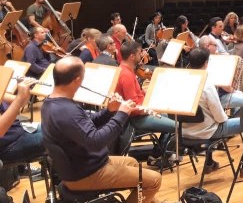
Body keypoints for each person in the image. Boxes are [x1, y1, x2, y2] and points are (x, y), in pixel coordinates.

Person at [41, 56, 161, 203]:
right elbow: (96, 141)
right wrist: (122, 115)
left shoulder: (53, 101)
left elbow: (86, 124)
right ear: (77, 80)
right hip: (85, 174)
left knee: (133, 163)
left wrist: (109, 111)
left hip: (86, 164)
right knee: (154, 180)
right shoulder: (66, 111)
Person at [183, 48, 243, 173]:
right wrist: (227, 118)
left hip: (185, 131)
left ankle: (209, 162)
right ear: (206, 63)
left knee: (213, 119)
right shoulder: (207, 85)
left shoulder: (183, 80)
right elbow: (220, 118)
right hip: (207, 131)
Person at [115, 41, 176, 162]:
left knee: (176, 116)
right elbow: (134, 108)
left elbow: (140, 95)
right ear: (132, 56)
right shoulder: (126, 75)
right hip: (137, 119)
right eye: (139, 52)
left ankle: (157, 154)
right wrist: (154, 108)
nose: (142, 54)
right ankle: (160, 156)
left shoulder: (126, 69)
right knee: (177, 127)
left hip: (143, 112)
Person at [0, 77, 45, 176]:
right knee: (57, 135)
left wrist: (25, 88)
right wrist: (20, 97)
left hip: (20, 131)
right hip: (8, 146)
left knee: (56, 128)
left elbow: (22, 103)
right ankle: (60, 182)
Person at [199, 36, 243, 112]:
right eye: (215, 45)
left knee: (240, 94)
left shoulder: (201, 60)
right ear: (207, 46)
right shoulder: (212, 62)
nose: (217, 48)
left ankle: (238, 117)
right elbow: (226, 87)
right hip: (219, 98)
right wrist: (234, 90)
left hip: (215, 97)